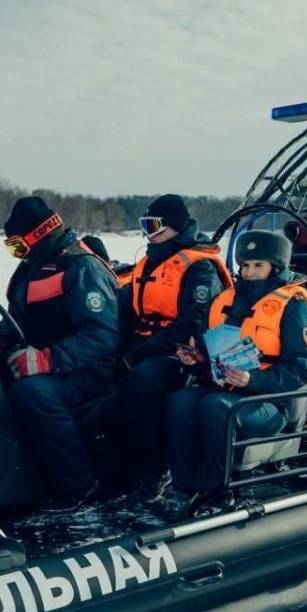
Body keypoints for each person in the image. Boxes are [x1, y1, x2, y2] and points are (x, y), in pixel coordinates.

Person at [164, 228, 307, 516]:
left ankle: (220, 492)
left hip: (270, 402)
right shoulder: (224, 300)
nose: (249, 272)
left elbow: (299, 368)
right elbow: (210, 352)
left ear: (276, 267)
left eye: (258, 265)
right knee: (180, 401)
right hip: (225, 387)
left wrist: (253, 379)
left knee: (215, 406)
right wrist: (195, 360)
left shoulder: (292, 306)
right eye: (245, 265)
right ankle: (185, 485)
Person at [0, 196, 119, 511]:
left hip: (87, 371)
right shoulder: (30, 269)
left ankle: (79, 485)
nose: (17, 255)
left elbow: (102, 336)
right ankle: (17, 470)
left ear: (39, 235)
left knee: (33, 393)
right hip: (47, 363)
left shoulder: (82, 267)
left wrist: (45, 360)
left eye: (17, 246)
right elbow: (15, 319)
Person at [114, 194, 232, 501]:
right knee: (106, 374)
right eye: (144, 225)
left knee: (144, 380)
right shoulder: (148, 263)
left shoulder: (198, 268)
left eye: (153, 226)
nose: (147, 234)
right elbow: (127, 310)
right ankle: (112, 463)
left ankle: (154, 470)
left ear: (175, 226)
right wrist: (117, 349)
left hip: (184, 352)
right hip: (145, 344)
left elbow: (193, 322)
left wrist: (139, 353)